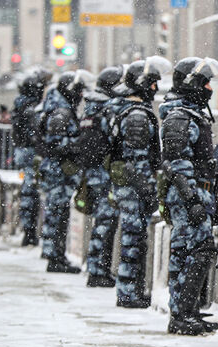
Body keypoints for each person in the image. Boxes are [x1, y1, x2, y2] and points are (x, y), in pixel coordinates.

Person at [160, 57, 218, 334]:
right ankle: (182, 314)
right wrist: (192, 200)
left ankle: (185, 311)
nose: (210, 88)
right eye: (205, 83)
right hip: (189, 197)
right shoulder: (180, 117)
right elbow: (176, 164)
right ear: (192, 84)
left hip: (198, 195)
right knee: (196, 251)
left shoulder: (192, 115)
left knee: (190, 252)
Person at [109, 56, 171, 308]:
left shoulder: (130, 110)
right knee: (133, 239)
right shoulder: (136, 115)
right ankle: (127, 292)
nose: (155, 89)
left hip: (130, 186)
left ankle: (130, 289)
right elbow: (136, 162)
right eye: (152, 83)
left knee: (134, 238)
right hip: (132, 189)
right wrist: (148, 191)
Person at [38, 70, 92, 273]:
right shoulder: (61, 113)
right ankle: (55, 257)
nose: (80, 96)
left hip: (58, 171)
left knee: (58, 214)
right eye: (78, 91)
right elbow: (55, 144)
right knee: (57, 214)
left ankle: (56, 254)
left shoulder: (61, 109)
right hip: (58, 173)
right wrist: (78, 146)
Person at [78, 66, 125, 288]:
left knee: (101, 222)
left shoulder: (90, 109)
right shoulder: (107, 109)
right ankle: (98, 271)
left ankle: (96, 268)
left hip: (93, 172)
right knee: (106, 223)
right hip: (104, 174)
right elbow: (113, 141)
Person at [11, 69, 50, 247]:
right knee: (32, 192)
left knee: (29, 191)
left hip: (22, 151)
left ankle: (29, 230)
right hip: (30, 152)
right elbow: (36, 131)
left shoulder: (20, 104)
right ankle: (30, 232)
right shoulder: (30, 108)